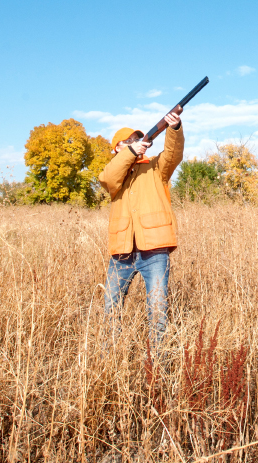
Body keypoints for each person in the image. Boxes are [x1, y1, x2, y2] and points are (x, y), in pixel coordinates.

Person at [98, 112, 184, 344]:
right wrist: (131, 153)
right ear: (117, 148)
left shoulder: (156, 167)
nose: (134, 143)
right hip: (121, 251)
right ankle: (110, 357)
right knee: (111, 307)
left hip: (154, 250)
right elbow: (108, 179)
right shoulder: (114, 172)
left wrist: (174, 129)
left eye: (137, 139)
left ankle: (157, 362)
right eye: (128, 141)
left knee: (157, 309)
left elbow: (173, 155)